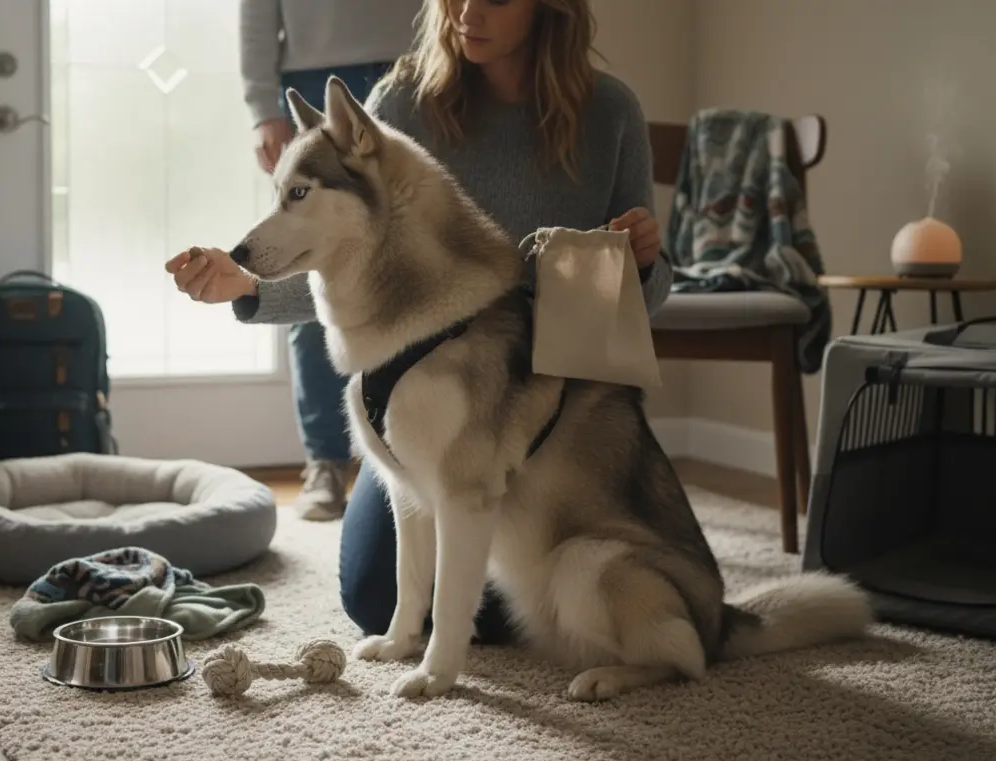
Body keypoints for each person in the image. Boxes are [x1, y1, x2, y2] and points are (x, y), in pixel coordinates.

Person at [172, 0, 672, 644]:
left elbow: (648, 296)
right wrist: (249, 287)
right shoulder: (405, 102)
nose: (466, 13)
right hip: (432, 401)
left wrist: (643, 262)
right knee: (375, 597)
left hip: (552, 409)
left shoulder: (610, 112)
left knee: (551, 584)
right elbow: (353, 260)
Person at [239, 0, 421, 522]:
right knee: (312, 260)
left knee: (411, 259)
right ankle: (325, 460)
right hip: (313, 73)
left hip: (417, 66)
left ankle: (406, 447)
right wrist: (262, 108)